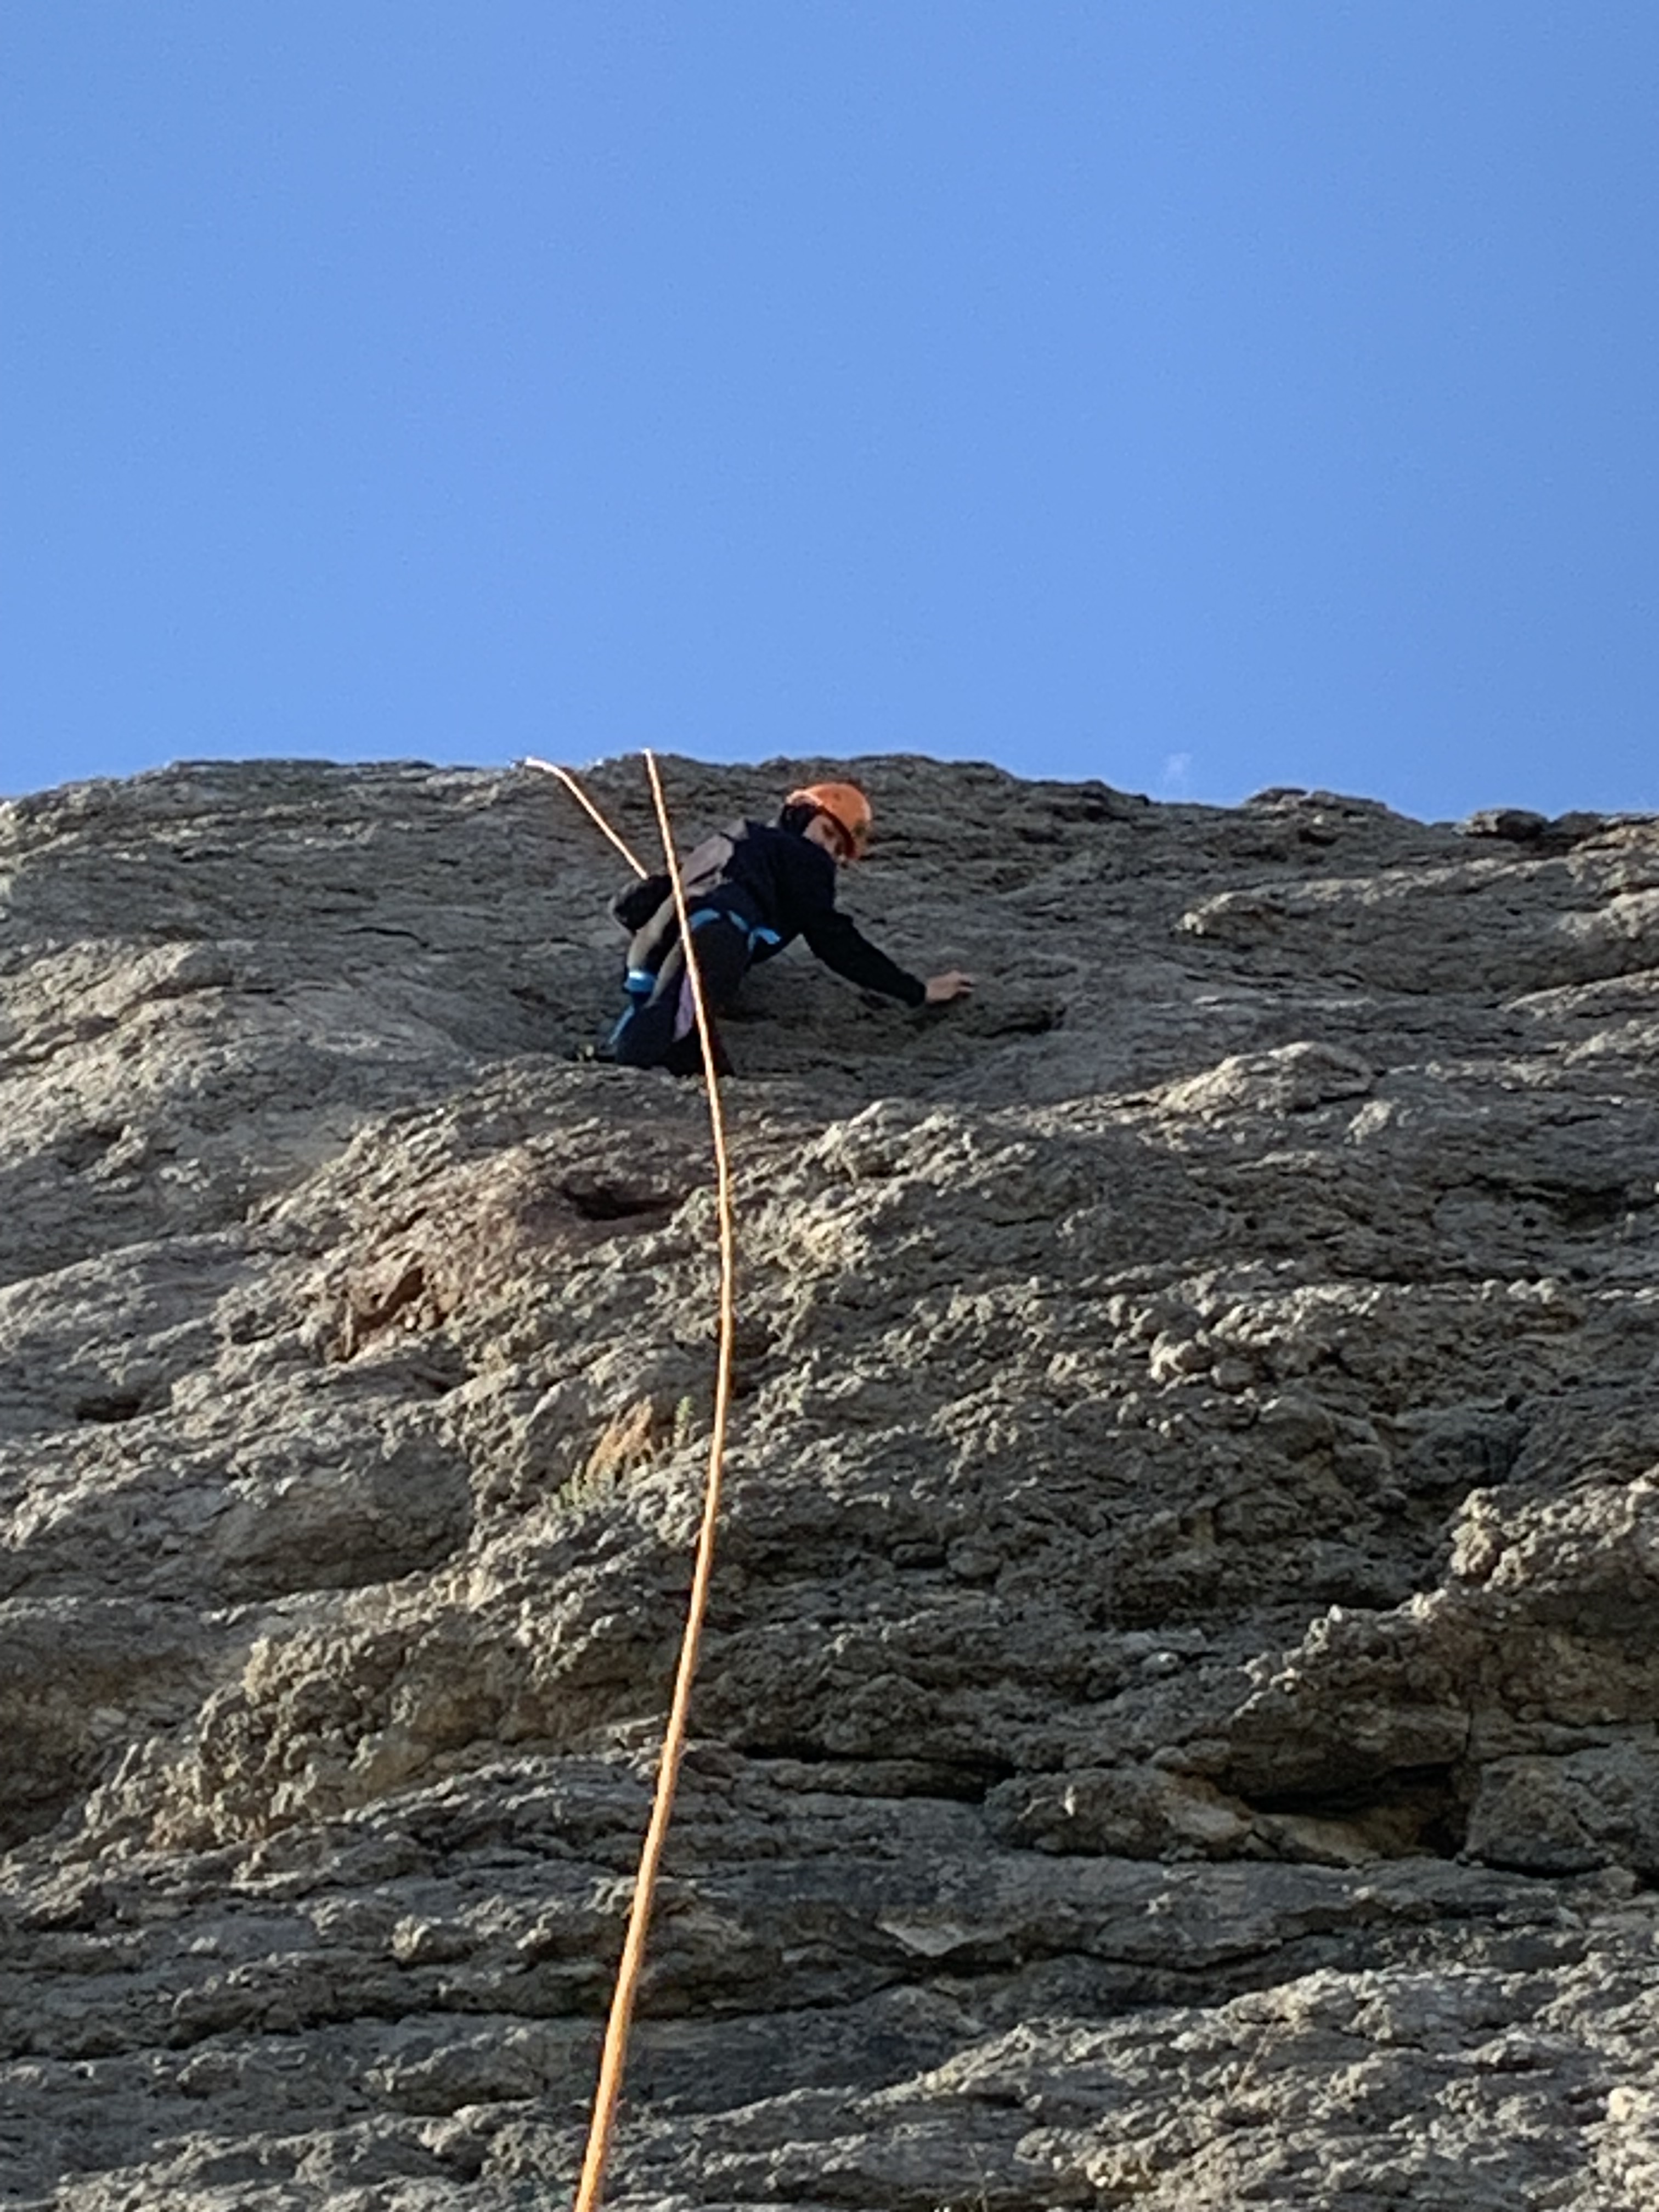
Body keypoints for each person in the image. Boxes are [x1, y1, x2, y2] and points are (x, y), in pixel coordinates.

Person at [606, 781, 973, 1075]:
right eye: (828, 832)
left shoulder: (729, 842)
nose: (827, 849)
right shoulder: (805, 858)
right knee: (675, 1021)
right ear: (802, 814)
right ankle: (621, 1080)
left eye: (837, 848)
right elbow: (833, 939)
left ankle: (613, 1061)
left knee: (671, 1029)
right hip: (716, 934)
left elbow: (628, 906)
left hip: (650, 945)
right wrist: (915, 989)